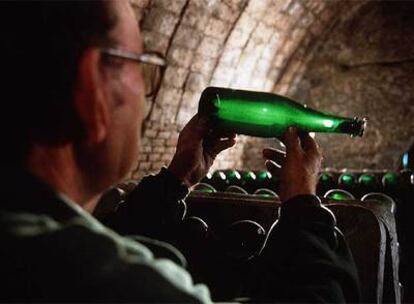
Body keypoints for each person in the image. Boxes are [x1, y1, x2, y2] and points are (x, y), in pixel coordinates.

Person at [0, 1, 360, 302]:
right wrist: (302, 207)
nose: (147, 95)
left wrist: (176, 180)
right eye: (143, 67)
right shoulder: (118, 288)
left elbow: (116, 233)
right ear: (90, 89)